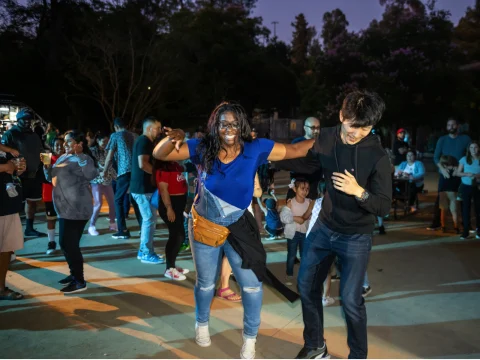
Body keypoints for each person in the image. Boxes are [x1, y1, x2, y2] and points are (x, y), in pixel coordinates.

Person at [153, 102, 312, 359]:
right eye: (223, 123)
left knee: (251, 285)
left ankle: (250, 339)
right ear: (215, 126)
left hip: (239, 226)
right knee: (206, 283)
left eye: (234, 123)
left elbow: (295, 149)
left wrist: (329, 137)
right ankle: (201, 323)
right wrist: (175, 138)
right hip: (205, 226)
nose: (229, 128)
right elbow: (161, 154)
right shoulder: (202, 147)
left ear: (242, 126)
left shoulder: (255, 149)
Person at [273, 90, 391, 359]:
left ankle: (358, 354)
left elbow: (383, 205)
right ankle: (315, 345)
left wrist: (358, 191)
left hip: (356, 237)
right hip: (324, 229)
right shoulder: (325, 137)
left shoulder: (377, 156)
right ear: (341, 116)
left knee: (351, 300)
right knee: (306, 286)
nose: (356, 134)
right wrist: (265, 154)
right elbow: (304, 160)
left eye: (364, 129)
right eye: (352, 127)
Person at [42, 130, 98, 294]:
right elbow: (50, 178)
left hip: (77, 209)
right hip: (64, 209)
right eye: (64, 141)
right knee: (66, 244)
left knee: (69, 244)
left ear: (79, 144)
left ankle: (79, 281)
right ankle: (74, 275)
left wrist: (80, 155)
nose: (64, 144)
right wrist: (46, 167)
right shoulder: (63, 157)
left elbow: (91, 175)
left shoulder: (84, 158)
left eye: (68, 141)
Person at [1, 108, 46, 237]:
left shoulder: (34, 135)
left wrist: (45, 161)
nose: (27, 122)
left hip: (34, 174)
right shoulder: (10, 134)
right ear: (18, 120)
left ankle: (29, 229)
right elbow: (4, 153)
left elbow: (41, 151)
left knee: (32, 202)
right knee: (15, 205)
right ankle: (11, 233)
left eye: (29, 120)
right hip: (17, 176)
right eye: (24, 120)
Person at [427, 119, 471, 231]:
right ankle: (437, 223)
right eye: (449, 125)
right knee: (441, 200)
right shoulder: (442, 140)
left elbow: (470, 155)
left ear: (458, 126)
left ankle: (466, 223)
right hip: (445, 174)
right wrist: (442, 169)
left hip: (459, 173)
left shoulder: (465, 139)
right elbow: (436, 157)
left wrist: (461, 167)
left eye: (453, 124)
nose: (451, 127)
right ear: (447, 127)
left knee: (462, 199)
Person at [131, 116, 163, 264]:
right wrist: (159, 176)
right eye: (158, 128)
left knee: (149, 219)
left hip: (144, 188)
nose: (160, 131)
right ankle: (145, 252)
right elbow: (143, 164)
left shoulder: (146, 142)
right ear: (150, 128)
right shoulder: (144, 141)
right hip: (142, 189)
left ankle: (144, 251)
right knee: (149, 220)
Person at [103, 117, 138, 239]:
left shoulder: (115, 135)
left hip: (124, 171)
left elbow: (109, 156)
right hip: (137, 171)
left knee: (118, 200)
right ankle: (144, 226)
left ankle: (122, 230)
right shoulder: (135, 135)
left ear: (116, 127)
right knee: (136, 199)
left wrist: (104, 171)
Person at [154, 158, 189, 280]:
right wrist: (169, 208)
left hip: (178, 205)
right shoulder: (163, 169)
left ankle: (172, 265)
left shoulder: (174, 165)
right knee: (177, 236)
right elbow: (163, 190)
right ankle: (169, 269)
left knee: (179, 236)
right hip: (171, 205)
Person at [0, 154, 26, 300]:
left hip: (7, 206)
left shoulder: (5, 147)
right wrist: (5, 167)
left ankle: (1, 288)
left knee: (6, 249)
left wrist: (17, 169)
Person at [280, 178, 313, 286]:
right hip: (293, 233)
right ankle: (289, 273)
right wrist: (295, 218)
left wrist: (308, 218)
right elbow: (284, 217)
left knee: (304, 254)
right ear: (295, 189)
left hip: (305, 233)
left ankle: (304, 274)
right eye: (302, 188)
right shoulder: (291, 202)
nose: (305, 191)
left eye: (307, 189)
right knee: (291, 254)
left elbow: (312, 216)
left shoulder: (309, 202)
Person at [89, 131, 117, 236]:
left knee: (112, 202)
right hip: (96, 181)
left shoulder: (108, 151)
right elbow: (91, 166)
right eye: (103, 141)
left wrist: (117, 178)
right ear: (97, 141)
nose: (106, 143)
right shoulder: (92, 151)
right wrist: (100, 171)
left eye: (107, 141)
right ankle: (91, 225)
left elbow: (110, 166)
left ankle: (112, 223)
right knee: (98, 203)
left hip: (107, 181)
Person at [287, 117, 322, 200]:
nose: (316, 131)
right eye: (313, 128)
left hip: (316, 185)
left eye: (318, 128)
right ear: (305, 128)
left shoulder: (322, 143)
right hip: (300, 185)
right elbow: (292, 164)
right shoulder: (297, 143)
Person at [42, 137, 65, 254]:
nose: (59, 147)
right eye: (57, 145)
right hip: (49, 193)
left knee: (65, 219)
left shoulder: (69, 157)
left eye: (62, 145)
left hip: (65, 194)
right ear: (52, 146)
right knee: (51, 219)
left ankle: (65, 242)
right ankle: (51, 242)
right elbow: (47, 177)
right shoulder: (46, 157)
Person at [456, 141, 480, 239]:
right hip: (466, 186)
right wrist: (467, 174)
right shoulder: (464, 159)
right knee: (466, 209)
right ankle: (466, 231)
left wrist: (478, 176)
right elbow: (458, 173)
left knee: (478, 209)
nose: (473, 150)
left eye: (475, 147)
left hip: (478, 186)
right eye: (471, 148)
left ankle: (479, 230)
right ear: (468, 149)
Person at [436, 155, 461, 234]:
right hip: (454, 191)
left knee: (443, 210)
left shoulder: (442, 170)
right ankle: (456, 227)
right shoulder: (456, 170)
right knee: (454, 211)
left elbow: (442, 181)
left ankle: (443, 226)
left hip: (443, 191)